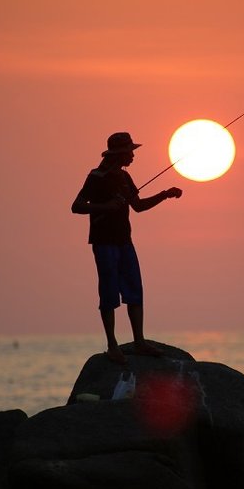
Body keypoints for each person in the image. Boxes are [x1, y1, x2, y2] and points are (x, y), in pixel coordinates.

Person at [72, 131, 182, 364]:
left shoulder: (125, 177)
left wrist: (165, 194)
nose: (133, 155)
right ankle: (112, 345)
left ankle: (139, 341)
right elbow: (77, 206)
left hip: (125, 241)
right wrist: (105, 206)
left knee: (135, 289)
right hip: (103, 243)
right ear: (119, 154)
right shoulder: (96, 177)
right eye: (130, 151)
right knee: (109, 292)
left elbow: (138, 206)